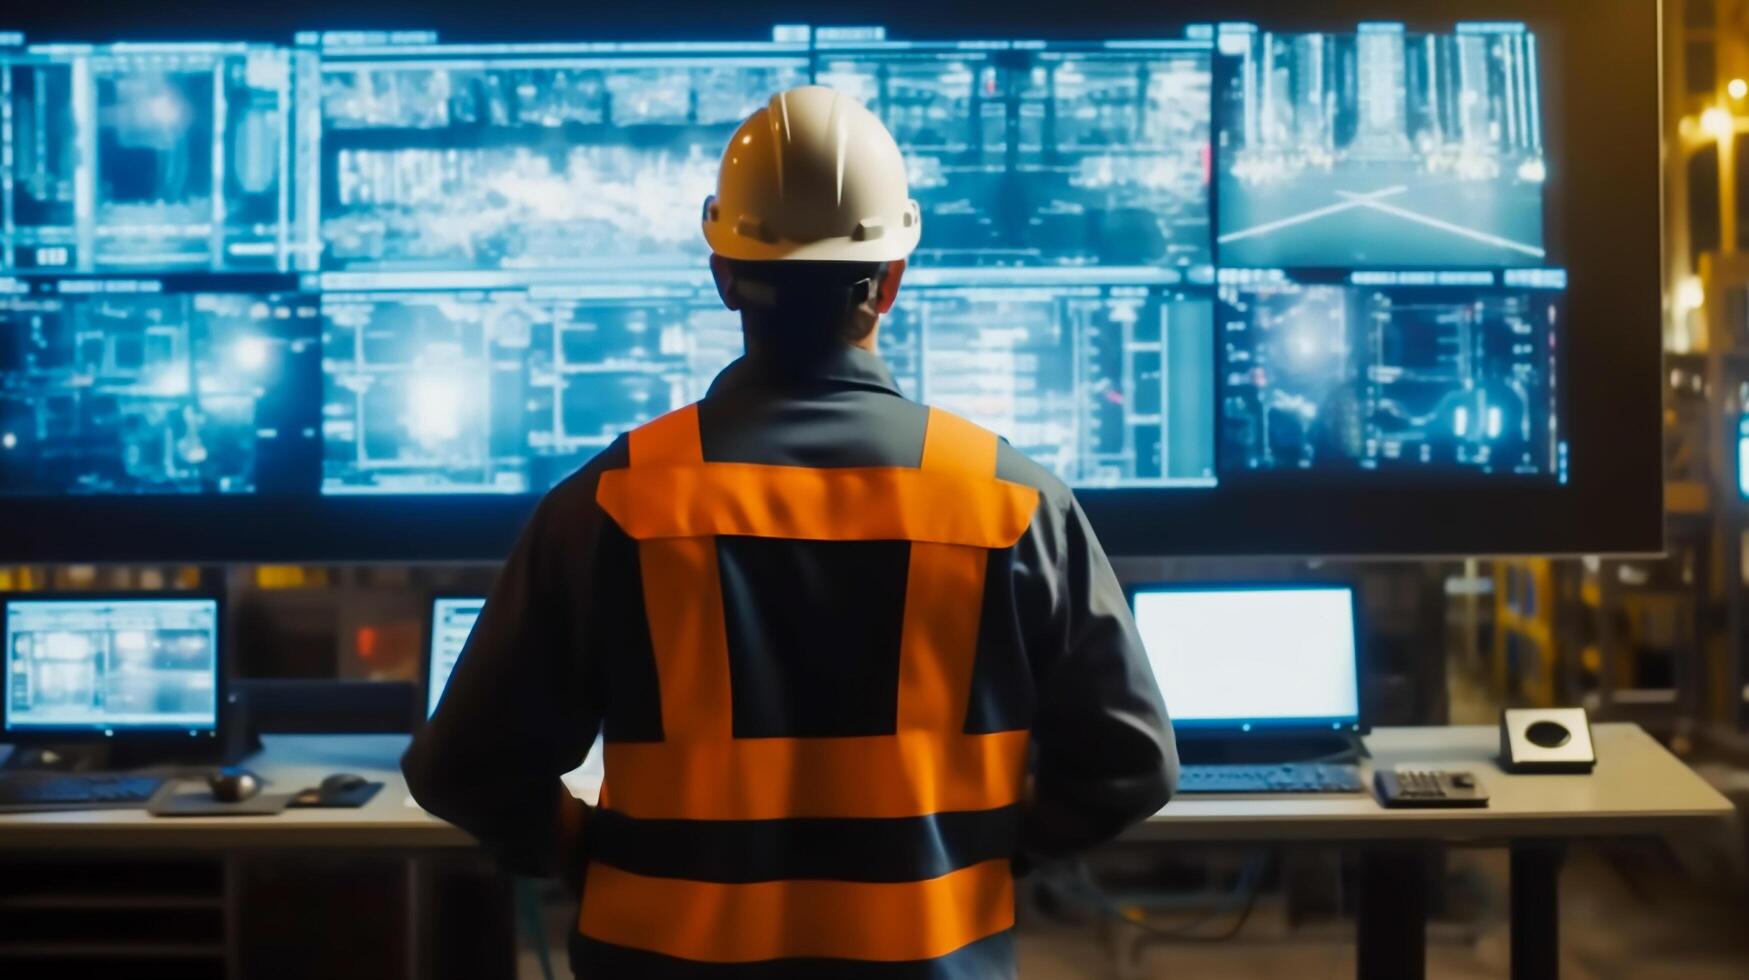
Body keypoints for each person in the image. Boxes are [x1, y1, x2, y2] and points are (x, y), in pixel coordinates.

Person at [403, 84, 1177, 979]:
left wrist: (587, 849)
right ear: (890, 280)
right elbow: (1130, 765)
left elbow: (461, 767)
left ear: (723, 270)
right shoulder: (1011, 503)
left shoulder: (612, 504)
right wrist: (982, 854)